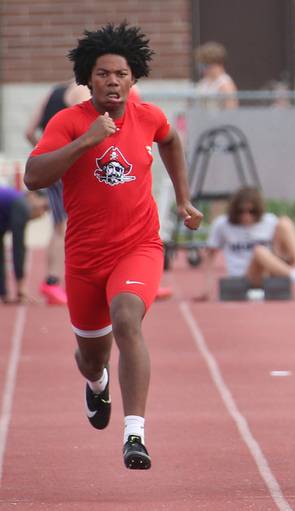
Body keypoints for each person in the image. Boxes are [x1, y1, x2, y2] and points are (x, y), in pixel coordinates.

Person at [25, 23, 203, 470]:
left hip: (138, 246)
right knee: (91, 356)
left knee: (128, 317)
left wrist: (183, 199)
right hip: (85, 257)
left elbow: (172, 141)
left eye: (121, 74)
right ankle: (98, 382)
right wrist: (87, 141)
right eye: (103, 74)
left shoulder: (148, 117)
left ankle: (135, 434)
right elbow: (34, 176)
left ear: (133, 78)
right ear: (88, 78)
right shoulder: (68, 122)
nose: (113, 81)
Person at [24, 81, 91, 305]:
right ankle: (53, 281)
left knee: (59, 224)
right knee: (64, 226)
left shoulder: (53, 91)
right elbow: (88, 133)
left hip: (54, 165)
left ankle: (53, 282)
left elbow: (29, 131)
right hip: (69, 169)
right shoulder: (82, 93)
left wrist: (46, 154)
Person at [196, 187, 295, 300]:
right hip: (246, 277)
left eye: (251, 211)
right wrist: (206, 288)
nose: (246, 216)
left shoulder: (268, 220)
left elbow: (293, 239)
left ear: (258, 210)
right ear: (234, 210)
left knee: (284, 222)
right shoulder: (222, 225)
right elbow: (209, 257)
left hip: (271, 270)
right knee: (259, 251)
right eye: (241, 211)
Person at [0, 187, 49, 304]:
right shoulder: (21, 204)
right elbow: (18, 248)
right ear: (32, 196)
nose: (43, 214)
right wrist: (21, 286)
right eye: (45, 208)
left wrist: (3, 293)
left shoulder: (12, 203)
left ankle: (3, 292)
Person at [194, 41, 239, 110]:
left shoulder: (225, 83)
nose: (202, 68)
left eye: (205, 64)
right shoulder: (204, 81)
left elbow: (231, 112)